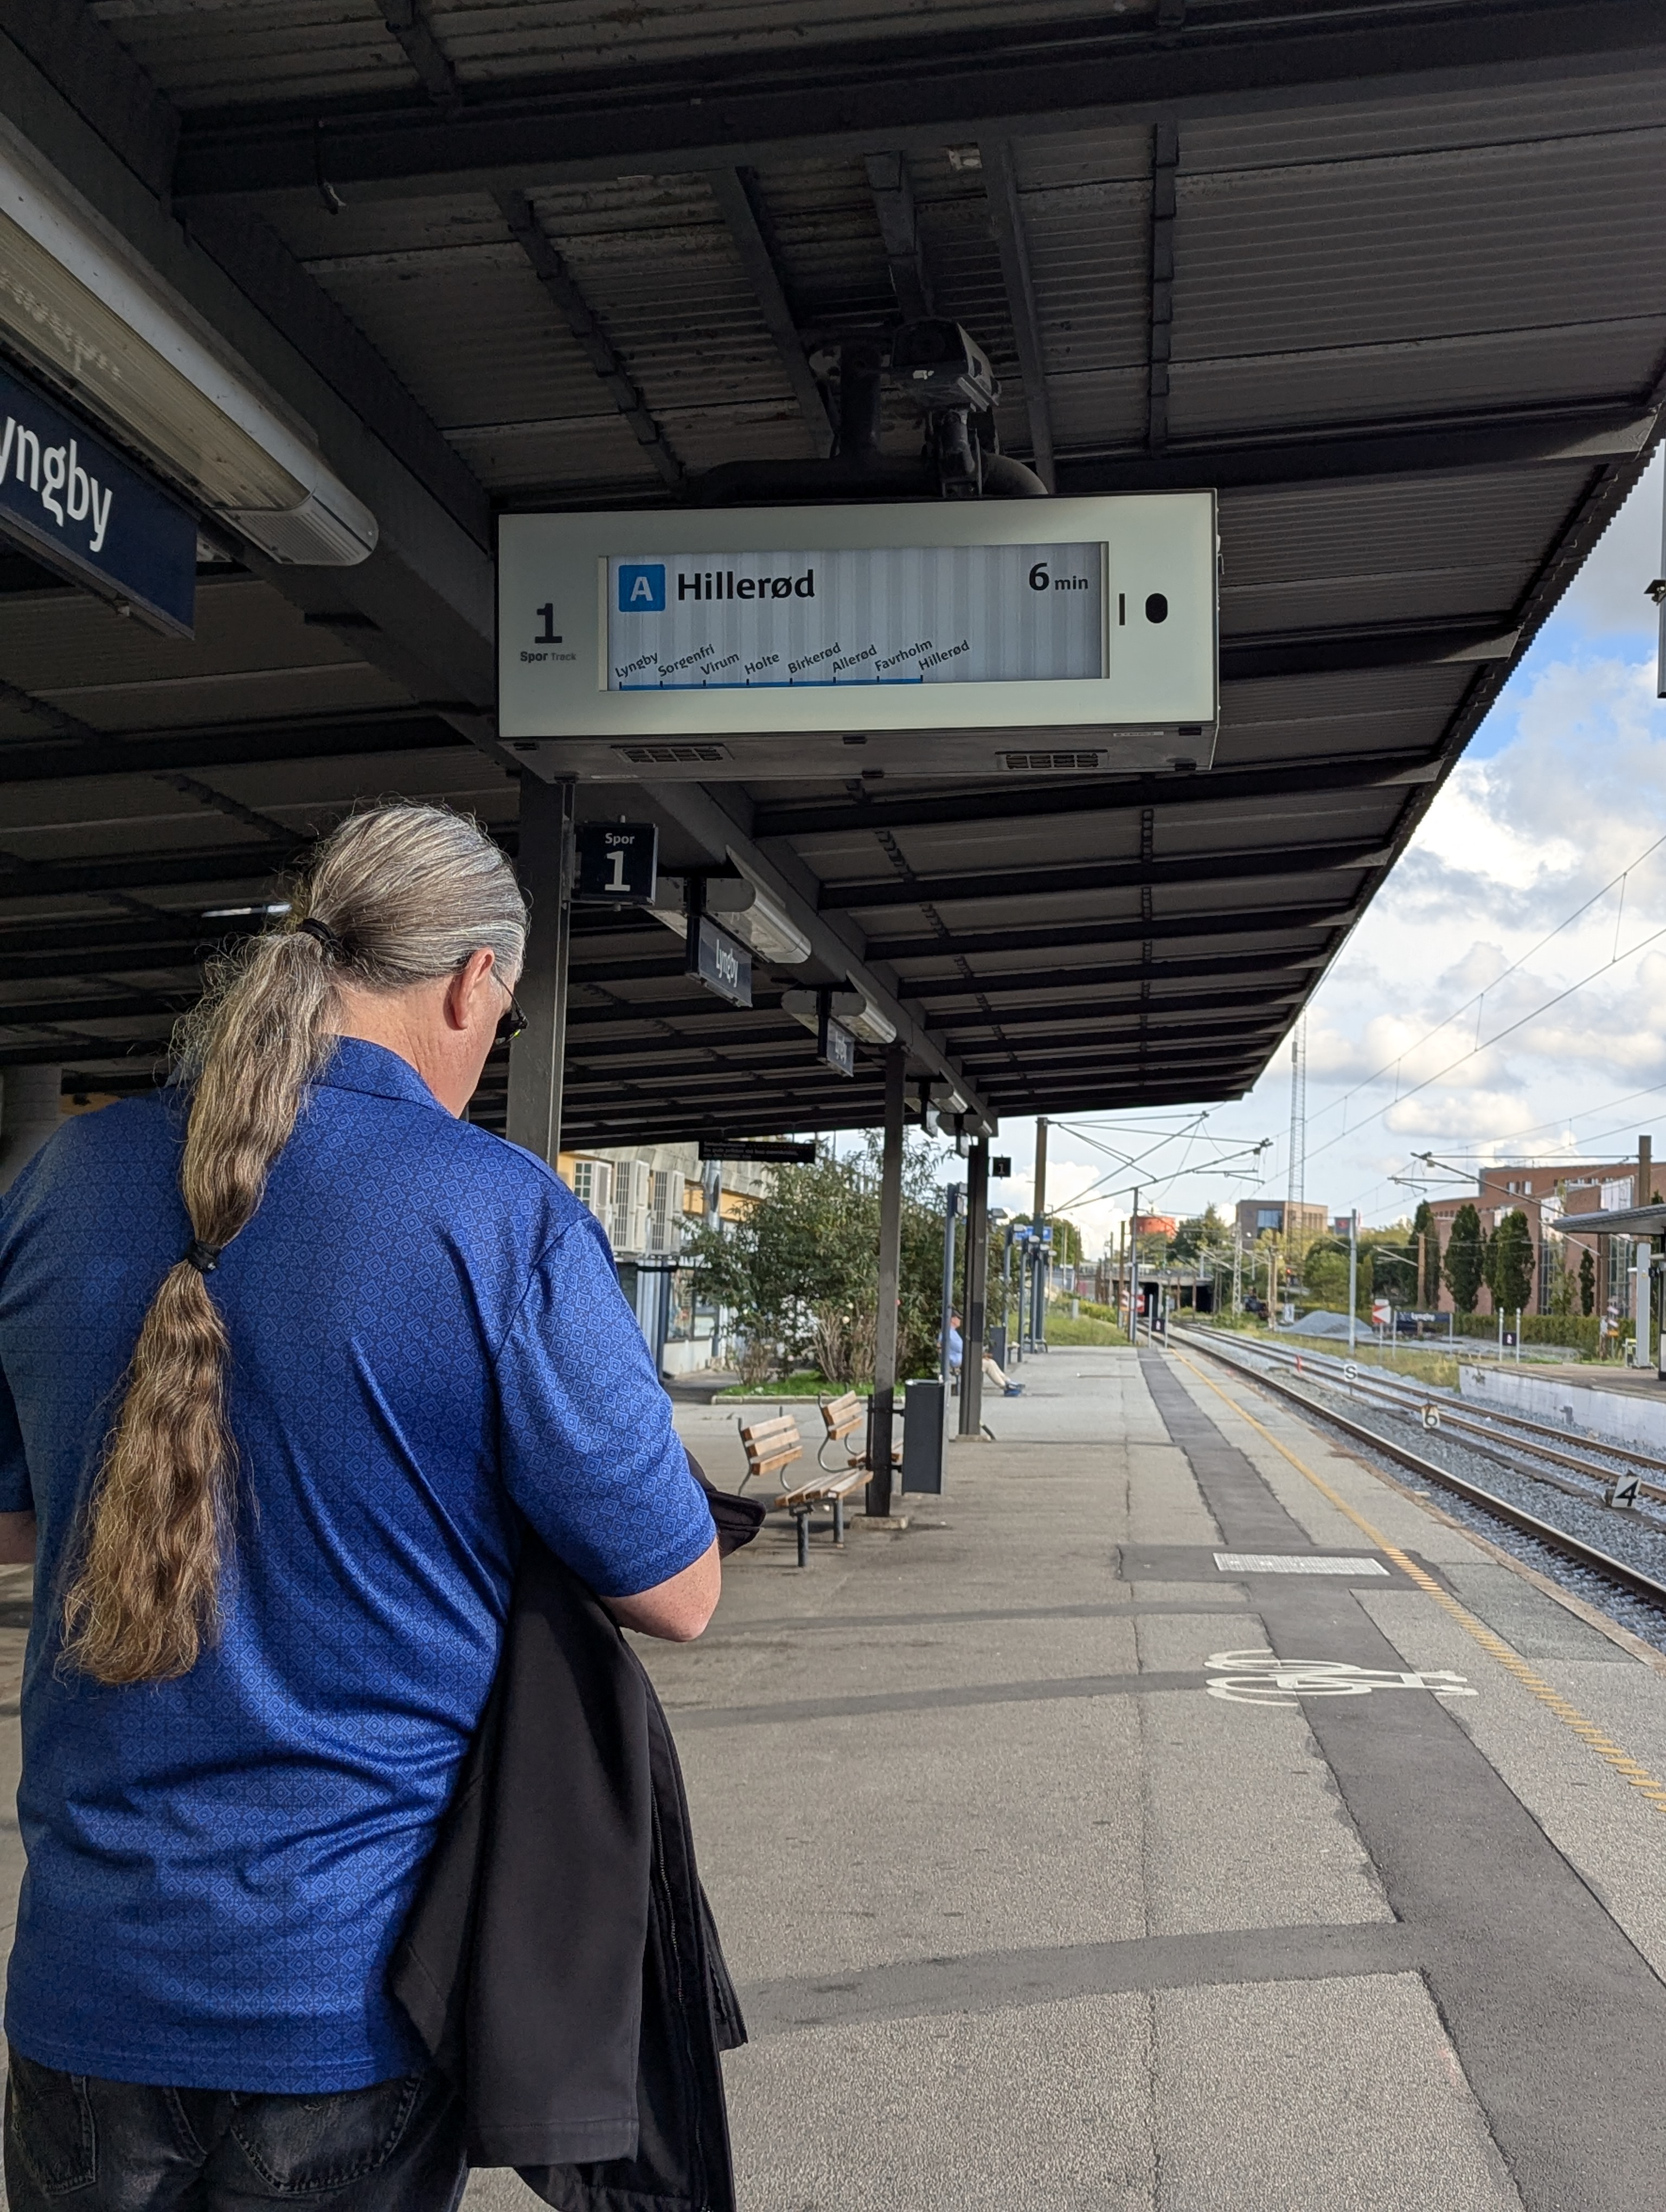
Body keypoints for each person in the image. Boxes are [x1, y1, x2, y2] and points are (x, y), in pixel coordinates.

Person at [0, 803, 720, 2212]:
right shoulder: (497, 1214)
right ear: (470, 982)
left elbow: (16, 1521)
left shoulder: (61, 1181)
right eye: (502, 1017)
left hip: (88, 1987)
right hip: (346, 1995)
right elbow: (678, 1590)